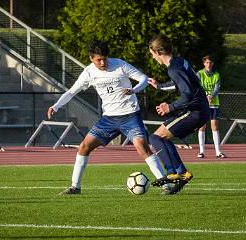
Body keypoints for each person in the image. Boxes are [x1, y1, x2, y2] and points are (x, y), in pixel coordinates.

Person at [47, 40, 167, 195]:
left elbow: (143, 79)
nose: (103, 62)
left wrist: (134, 90)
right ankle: (75, 187)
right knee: (84, 146)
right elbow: (71, 92)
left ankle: (165, 184)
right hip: (109, 119)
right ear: (91, 58)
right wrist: (55, 106)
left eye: (105, 58)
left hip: (130, 115)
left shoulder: (119, 65)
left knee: (141, 146)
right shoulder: (89, 72)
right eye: (99, 60)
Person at [147, 34, 210, 194]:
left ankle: (172, 173)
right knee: (161, 138)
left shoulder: (174, 69)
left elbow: (187, 93)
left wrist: (171, 107)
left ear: (158, 52)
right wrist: (160, 86)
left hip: (194, 111)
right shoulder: (179, 62)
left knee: (155, 138)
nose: (153, 58)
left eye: (152, 54)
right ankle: (182, 173)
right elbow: (181, 84)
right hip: (198, 110)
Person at [197, 55, 226, 158]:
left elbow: (217, 88)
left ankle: (218, 152)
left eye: (210, 63)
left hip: (214, 103)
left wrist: (211, 96)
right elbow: (198, 86)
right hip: (202, 103)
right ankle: (201, 151)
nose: (208, 64)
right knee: (202, 126)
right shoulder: (200, 74)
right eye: (206, 62)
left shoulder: (216, 75)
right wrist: (205, 95)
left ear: (212, 64)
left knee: (214, 126)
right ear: (204, 63)